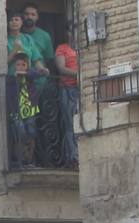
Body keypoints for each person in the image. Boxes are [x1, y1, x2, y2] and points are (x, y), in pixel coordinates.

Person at [54, 26, 79, 168]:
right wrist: (78, 74)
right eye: (71, 31)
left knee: (80, 122)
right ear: (67, 33)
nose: (74, 34)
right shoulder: (62, 48)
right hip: (68, 88)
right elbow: (61, 68)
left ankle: (78, 154)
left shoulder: (83, 48)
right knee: (71, 124)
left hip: (81, 89)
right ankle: (73, 156)